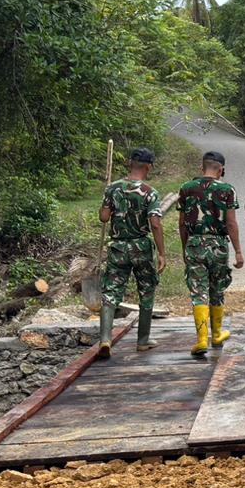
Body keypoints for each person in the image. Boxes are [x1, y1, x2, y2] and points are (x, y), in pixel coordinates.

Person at [97, 147, 168, 358]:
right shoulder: (150, 192)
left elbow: (103, 217)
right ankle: (143, 340)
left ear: (129, 164)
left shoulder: (113, 188)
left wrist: (107, 200)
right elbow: (155, 224)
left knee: (111, 291)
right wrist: (162, 253)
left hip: (118, 247)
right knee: (146, 290)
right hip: (141, 248)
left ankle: (105, 339)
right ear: (149, 167)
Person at [178, 151, 245, 357]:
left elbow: (182, 223)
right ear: (221, 169)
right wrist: (238, 251)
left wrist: (185, 247)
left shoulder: (186, 188)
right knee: (217, 288)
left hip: (195, 243)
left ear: (202, 167)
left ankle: (201, 339)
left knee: (198, 291)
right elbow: (231, 223)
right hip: (218, 245)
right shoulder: (227, 190)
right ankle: (216, 334)